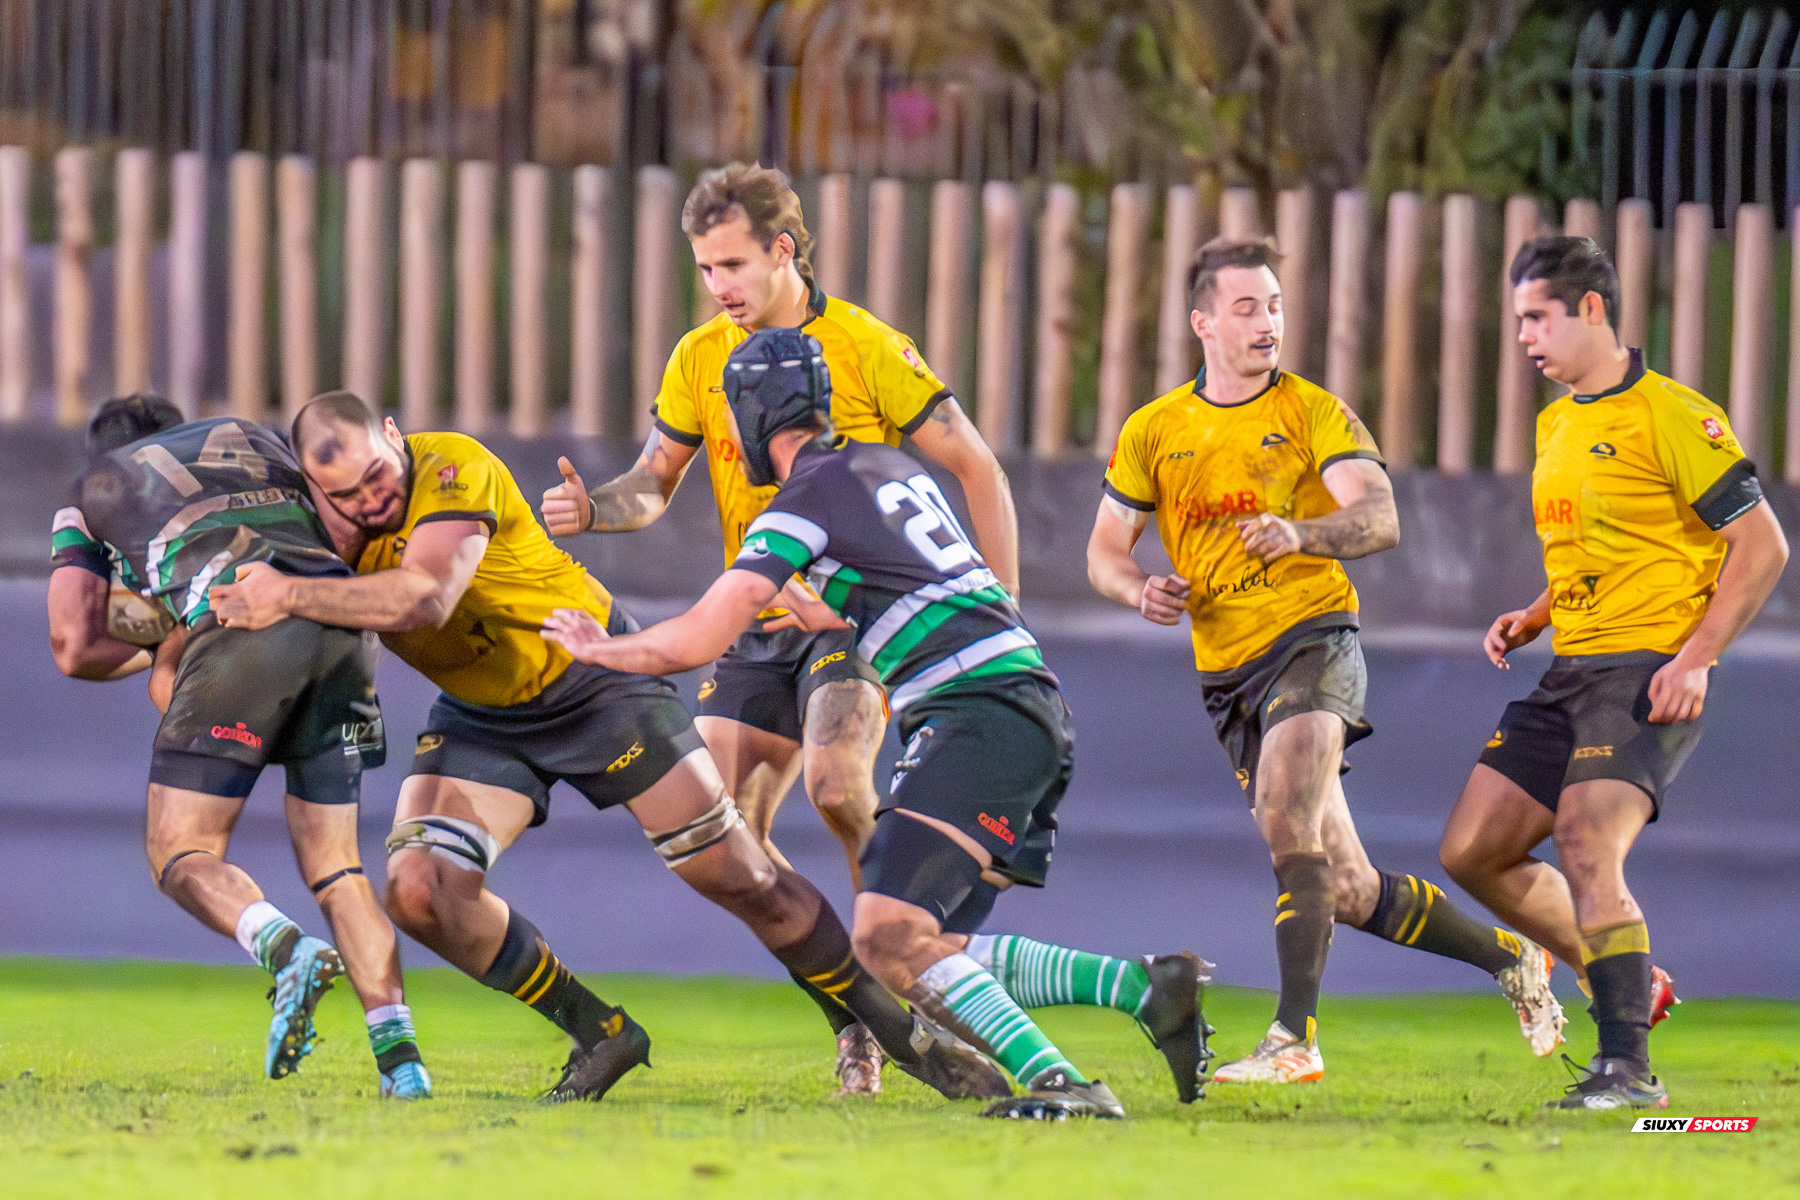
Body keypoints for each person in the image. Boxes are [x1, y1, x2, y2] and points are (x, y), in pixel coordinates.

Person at [210, 391, 1007, 1104]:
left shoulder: (451, 465)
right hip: (485, 712)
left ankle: (904, 1039)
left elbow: (426, 597)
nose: (370, 500)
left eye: (377, 475)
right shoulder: (318, 532)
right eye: (346, 494)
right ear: (315, 490)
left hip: (596, 677)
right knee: (420, 890)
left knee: (743, 877)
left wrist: (285, 593)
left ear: (394, 435)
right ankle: (600, 1032)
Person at [542, 329, 1212, 1120]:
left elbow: (695, 640)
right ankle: (1143, 997)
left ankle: (1087, 1061)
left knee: (888, 939)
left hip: (976, 714)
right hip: (1027, 707)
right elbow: (898, 584)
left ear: (753, 416)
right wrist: (822, 606)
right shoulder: (889, 467)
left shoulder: (801, 503)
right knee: (924, 951)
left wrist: (600, 648)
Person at [540, 163, 1022, 1093]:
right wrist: (595, 508)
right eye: (704, 268)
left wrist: (994, 606)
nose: (717, 286)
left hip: (849, 616)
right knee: (721, 838)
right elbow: (654, 482)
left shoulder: (866, 346)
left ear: (784, 251)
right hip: (755, 623)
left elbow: (979, 467)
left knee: (839, 787)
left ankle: (910, 964)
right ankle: (861, 1016)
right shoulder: (699, 356)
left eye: (731, 264)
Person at [1087, 237, 1565, 1085]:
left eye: (1274, 305)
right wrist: (1137, 590)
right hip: (1226, 673)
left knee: (1285, 811)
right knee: (1344, 885)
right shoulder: (1154, 429)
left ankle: (1293, 1039)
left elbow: (1379, 517)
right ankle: (1512, 960)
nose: (1267, 322)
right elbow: (1102, 551)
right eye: (1246, 307)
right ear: (1202, 322)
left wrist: (1300, 533)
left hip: (1313, 638)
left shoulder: (1313, 412)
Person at [1438, 237, 1789, 1111]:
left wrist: (1697, 658)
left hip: (1648, 668)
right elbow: (1604, 545)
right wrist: (1538, 611)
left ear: (1591, 309)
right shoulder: (1558, 422)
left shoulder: (1672, 414)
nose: (1524, 337)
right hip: (1572, 668)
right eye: (1519, 320)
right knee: (1473, 851)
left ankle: (1628, 1068)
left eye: (1537, 317)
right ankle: (1629, 978)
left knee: (1588, 839)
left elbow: (1762, 546)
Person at [47, 394, 429, 1099]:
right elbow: (341, 534)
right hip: (341, 625)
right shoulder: (256, 438)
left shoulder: (95, 487)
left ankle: (286, 950)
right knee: (338, 866)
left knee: (179, 851)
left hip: (239, 627)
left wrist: (168, 637)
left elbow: (72, 645)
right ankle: (403, 1067)